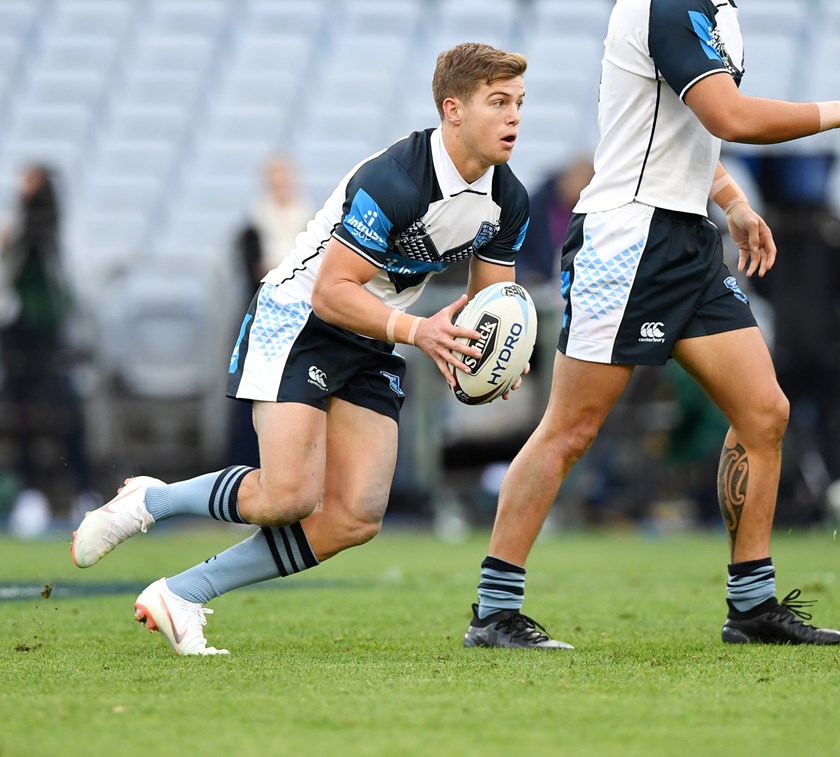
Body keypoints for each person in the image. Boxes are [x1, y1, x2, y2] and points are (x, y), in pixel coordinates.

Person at [71, 42, 531, 655]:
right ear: (453, 109)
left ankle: (181, 593)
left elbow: (494, 306)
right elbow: (331, 291)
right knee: (287, 497)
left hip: (374, 331)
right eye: (498, 102)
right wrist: (420, 332)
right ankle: (152, 499)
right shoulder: (395, 179)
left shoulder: (509, 200)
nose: (514, 116)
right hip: (300, 318)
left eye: (519, 102)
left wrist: (490, 359)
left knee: (354, 516)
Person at [463, 0, 840, 649]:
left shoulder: (718, 11)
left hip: (688, 236)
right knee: (571, 428)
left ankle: (751, 605)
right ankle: (494, 612)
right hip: (628, 237)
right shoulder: (667, 4)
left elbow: (681, 129)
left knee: (764, 413)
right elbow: (730, 117)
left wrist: (732, 200)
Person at [0, 164, 99, 534]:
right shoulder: (19, 237)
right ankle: (32, 494)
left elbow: (66, 289)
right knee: (23, 419)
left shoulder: (60, 237)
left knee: (66, 417)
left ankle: (83, 491)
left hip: (52, 340)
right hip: (21, 340)